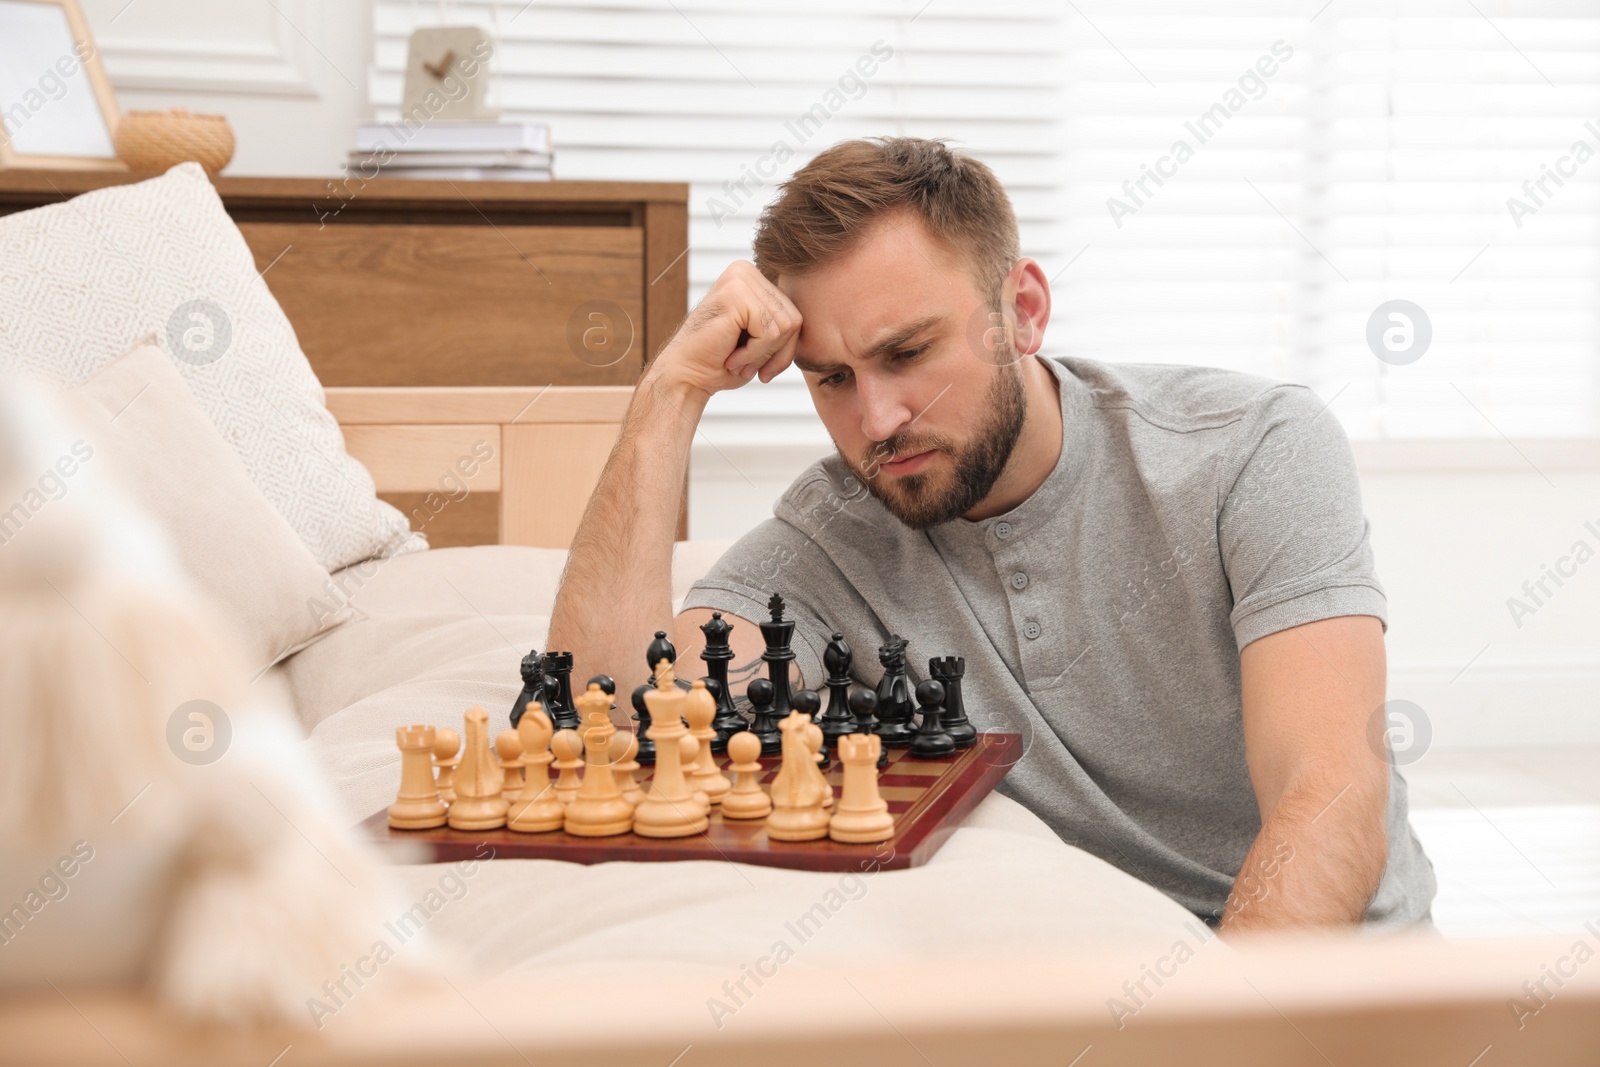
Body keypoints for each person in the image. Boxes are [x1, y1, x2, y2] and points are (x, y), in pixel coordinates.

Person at [546, 137, 1436, 931]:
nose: (878, 419)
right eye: (831, 379)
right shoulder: (827, 541)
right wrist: (669, 394)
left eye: (908, 353)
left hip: (1327, 976)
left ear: (1024, 310)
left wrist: (1216, 1025)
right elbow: (607, 720)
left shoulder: (1254, 448)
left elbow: (1328, 790)